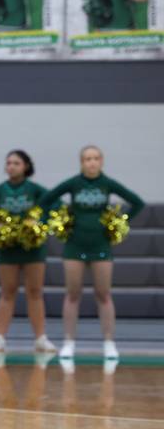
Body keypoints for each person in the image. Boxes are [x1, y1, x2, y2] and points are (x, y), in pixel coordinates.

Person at [40, 145, 144, 359]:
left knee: (103, 295)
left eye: (96, 158)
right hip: (74, 246)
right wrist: (58, 221)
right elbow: (45, 201)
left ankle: (108, 343)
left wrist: (119, 222)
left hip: (101, 245)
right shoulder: (73, 183)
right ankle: (69, 342)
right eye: (87, 158)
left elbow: (137, 203)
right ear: (81, 162)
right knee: (72, 295)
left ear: (102, 161)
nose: (92, 162)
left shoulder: (107, 183)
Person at [0, 150, 58, 355]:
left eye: (16, 163)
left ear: (26, 166)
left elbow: (57, 206)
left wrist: (41, 225)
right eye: (8, 163)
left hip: (33, 248)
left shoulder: (35, 190)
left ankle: (40, 339)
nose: (11, 166)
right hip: (7, 248)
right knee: (7, 292)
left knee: (35, 292)